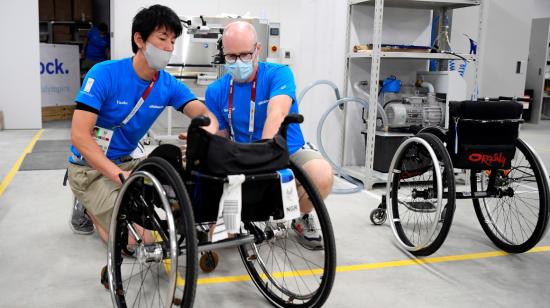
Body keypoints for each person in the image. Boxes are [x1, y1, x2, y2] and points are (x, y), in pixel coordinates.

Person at [67, 5, 218, 242]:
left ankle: (118, 199)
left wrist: (204, 129)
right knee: (141, 239)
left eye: (173, 40)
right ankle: (88, 206)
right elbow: (79, 136)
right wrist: (117, 175)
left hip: (129, 162)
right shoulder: (104, 74)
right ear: (139, 39)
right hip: (89, 168)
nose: (169, 47)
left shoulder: (167, 84)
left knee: (176, 163)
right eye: (162, 38)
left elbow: (200, 111)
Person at [205, 21, 333, 250]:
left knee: (321, 174)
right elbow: (220, 135)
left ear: (258, 49)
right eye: (230, 57)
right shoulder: (216, 91)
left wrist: (263, 158)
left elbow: (277, 113)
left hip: (286, 151)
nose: (237, 62)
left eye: (244, 54)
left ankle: (300, 216)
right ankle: (241, 214)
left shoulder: (279, 74)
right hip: (242, 157)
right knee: (222, 237)